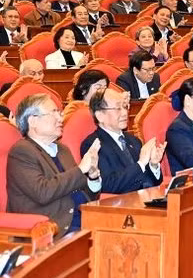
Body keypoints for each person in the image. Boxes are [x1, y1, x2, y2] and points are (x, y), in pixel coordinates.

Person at [7, 93, 101, 236]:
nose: (60, 118)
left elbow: (85, 194)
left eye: (59, 112)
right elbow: (43, 192)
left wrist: (93, 178)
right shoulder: (22, 151)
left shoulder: (62, 149)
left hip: (86, 220)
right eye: (54, 113)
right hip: (53, 228)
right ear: (33, 121)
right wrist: (81, 169)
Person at [82, 88, 164, 194]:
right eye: (117, 108)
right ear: (100, 116)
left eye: (125, 107)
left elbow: (153, 182)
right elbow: (108, 185)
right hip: (121, 206)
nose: (125, 112)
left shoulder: (134, 141)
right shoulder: (93, 145)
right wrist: (141, 164)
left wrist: (153, 165)